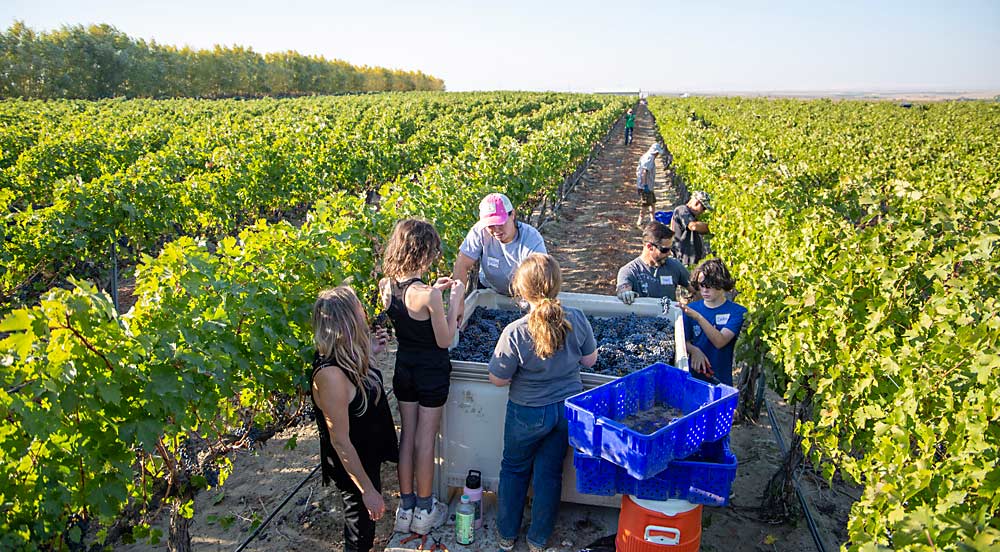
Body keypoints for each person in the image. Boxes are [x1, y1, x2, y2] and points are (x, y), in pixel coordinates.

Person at [488, 254, 598, 552]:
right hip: (566, 410)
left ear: (521, 291)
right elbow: (590, 360)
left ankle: (507, 534)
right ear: (558, 284)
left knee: (514, 469)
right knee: (549, 473)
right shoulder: (576, 318)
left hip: (527, 412)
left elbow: (498, 379)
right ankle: (538, 540)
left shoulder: (515, 331)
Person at [379, 219, 465, 535]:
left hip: (404, 369)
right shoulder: (428, 296)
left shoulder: (386, 286)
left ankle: (406, 507)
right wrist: (453, 302)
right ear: (425, 252)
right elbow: (444, 340)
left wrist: (436, 294)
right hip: (432, 372)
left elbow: (407, 316)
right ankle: (426, 509)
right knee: (425, 440)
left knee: (408, 437)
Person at [310, 287, 399, 552]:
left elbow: (357, 390)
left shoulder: (348, 354)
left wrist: (370, 353)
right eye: (359, 309)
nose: (364, 313)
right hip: (353, 463)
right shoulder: (330, 377)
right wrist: (367, 490)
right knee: (360, 530)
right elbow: (340, 441)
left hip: (367, 454)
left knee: (365, 526)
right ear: (347, 321)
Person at [452, 192, 547, 296]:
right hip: (490, 290)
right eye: (490, 225)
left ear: (513, 215)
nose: (496, 229)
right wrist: (458, 303)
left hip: (524, 293)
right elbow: (461, 264)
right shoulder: (480, 231)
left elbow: (539, 277)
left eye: (500, 223)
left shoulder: (531, 238)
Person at [682, 259, 747, 386]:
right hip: (692, 379)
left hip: (720, 380)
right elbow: (682, 341)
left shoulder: (737, 312)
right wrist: (695, 351)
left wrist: (699, 318)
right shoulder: (692, 309)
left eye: (709, 285)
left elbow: (720, 341)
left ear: (721, 284)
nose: (704, 290)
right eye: (701, 285)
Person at [616, 221, 691, 304]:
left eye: (671, 248)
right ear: (649, 247)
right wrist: (626, 294)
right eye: (664, 250)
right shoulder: (629, 271)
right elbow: (623, 290)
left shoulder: (674, 266)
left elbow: (696, 290)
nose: (670, 253)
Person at [671, 190, 712, 266]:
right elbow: (693, 226)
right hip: (683, 260)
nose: (703, 212)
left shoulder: (691, 216)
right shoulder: (681, 210)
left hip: (690, 261)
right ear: (697, 202)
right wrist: (712, 227)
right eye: (703, 208)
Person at [635, 143, 665, 227]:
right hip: (645, 186)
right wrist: (645, 186)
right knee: (645, 204)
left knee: (652, 202)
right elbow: (644, 172)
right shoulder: (649, 158)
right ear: (655, 152)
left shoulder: (647, 156)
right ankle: (639, 221)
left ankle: (653, 220)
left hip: (648, 185)